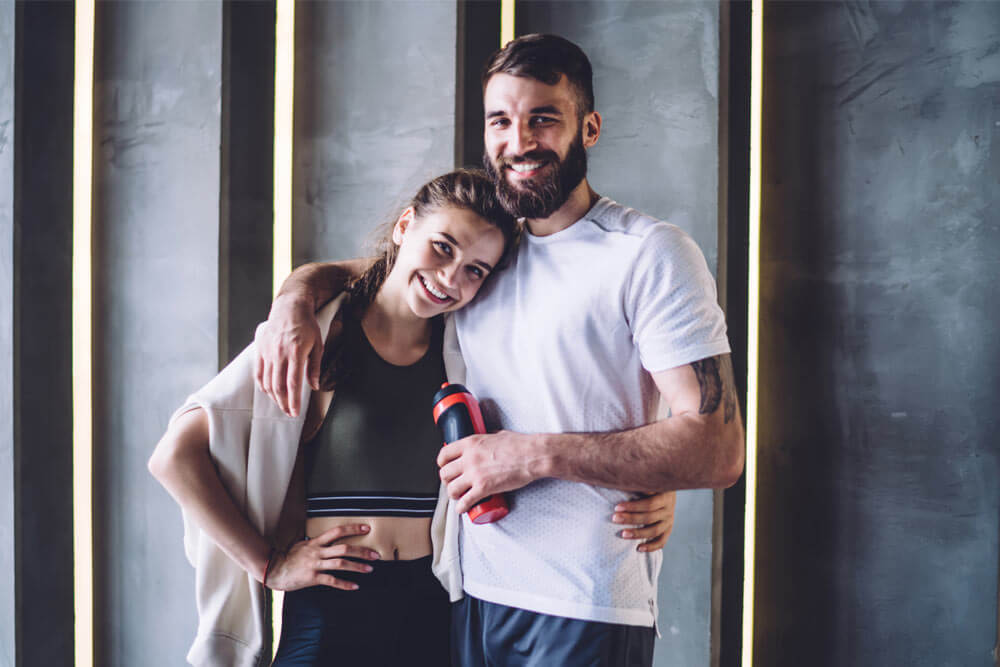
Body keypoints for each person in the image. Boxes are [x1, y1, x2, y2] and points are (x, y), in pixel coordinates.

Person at [255, 34, 745, 667]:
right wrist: (291, 301)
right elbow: (377, 276)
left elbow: (717, 448)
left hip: (585, 605)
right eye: (501, 121)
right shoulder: (485, 256)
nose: (519, 142)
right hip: (466, 597)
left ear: (588, 127)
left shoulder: (649, 253)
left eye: (544, 118)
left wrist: (536, 456)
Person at [149, 169, 674, 667]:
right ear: (405, 226)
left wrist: (653, 481)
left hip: (433, 608)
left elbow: (570, 408)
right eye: (442, 246)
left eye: (475, 270)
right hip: (333, 612)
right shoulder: (318, 336)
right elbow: (174, 457)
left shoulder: (468, 347)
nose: (450, 277)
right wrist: (267, 564)